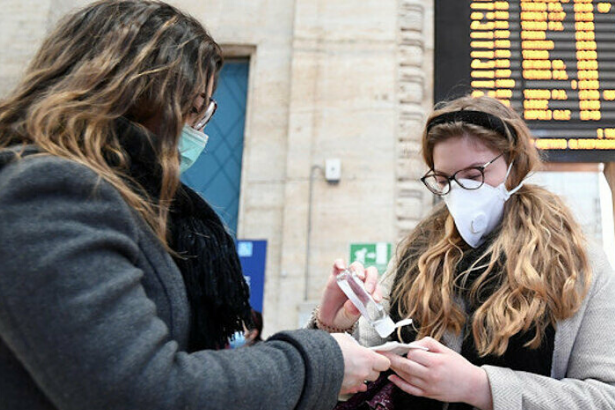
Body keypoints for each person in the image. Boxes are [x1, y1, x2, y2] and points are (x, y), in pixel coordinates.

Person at [0, 1, 390, 409]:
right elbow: (146, 390)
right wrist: (319, 361)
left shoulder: (130, 201)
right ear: (137, 93)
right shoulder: (48, 191)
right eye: (192, 107)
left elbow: (197, 370)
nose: (197, 128)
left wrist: (324, 333)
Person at [315, 95, 615, 409]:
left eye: (474, 175)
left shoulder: (577, 263)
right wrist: (334, 328)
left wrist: (480, 387)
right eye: (444, 180)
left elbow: (606, 396)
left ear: (515, 167)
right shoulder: (415, 256)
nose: (458, 193)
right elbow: (353, 384)